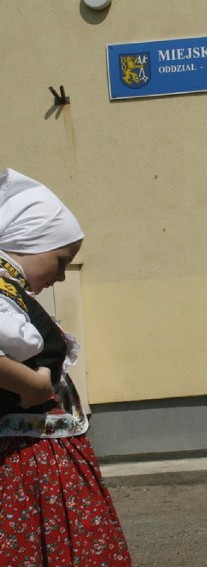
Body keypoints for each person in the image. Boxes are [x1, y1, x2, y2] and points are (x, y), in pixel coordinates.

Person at [0, 168, 132, 565]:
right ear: (27, 243)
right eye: (60, 261)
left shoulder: (10, 292)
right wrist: (35, 386)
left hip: (38, 459)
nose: (60, 275)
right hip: (24, 462)